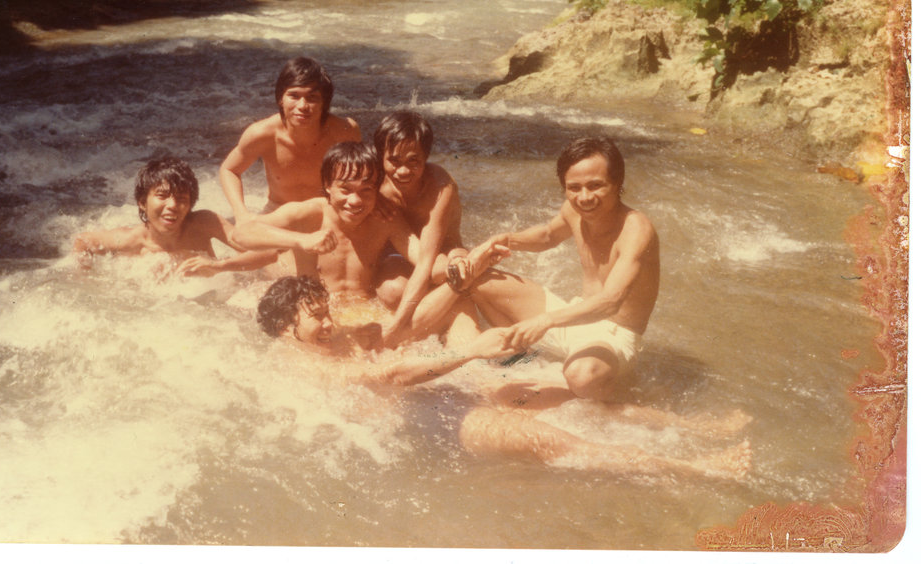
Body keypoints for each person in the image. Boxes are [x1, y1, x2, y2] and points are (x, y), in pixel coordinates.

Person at [255, 274, 751, 481]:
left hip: (441, 393)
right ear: (284, 328)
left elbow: (398, 336)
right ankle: (699, 468)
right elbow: (396, 377)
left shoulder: (333, 336)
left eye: (326, 312)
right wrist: (472, 351)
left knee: (560, 393)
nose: (328, 323)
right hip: (425, 424)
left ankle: (697, 429)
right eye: (316, 318)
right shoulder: (305, 367)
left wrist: (455, 296)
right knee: (549, 440)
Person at [451, 135, 660, 403]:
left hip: (615, 336)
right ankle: (523, 355)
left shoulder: (636, 229)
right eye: (574, 188)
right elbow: (547, 235)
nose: (584, 197)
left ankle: (612, 398)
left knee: (583, 376)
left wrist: (545, 320)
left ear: (617, 183)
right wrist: (500, 241)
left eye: (596, 186)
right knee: (481, 282)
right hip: (574, 316)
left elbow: (611, 302)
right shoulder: (574, 211)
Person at [232, 141, 488, 346]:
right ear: (327, 186)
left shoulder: (383, 217)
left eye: (366, 190)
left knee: (448, 308)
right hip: (321, 318)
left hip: (365, 315)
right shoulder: (309, 214)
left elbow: (425, 260)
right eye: (345, 189)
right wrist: (302, 240)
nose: (355, 201)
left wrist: (460, 262)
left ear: (376, 190)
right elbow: (241, 234)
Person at [73, 156, 275, 276]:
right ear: (142, 202)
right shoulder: (129, 240)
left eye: (181, 199)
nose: (172, 206)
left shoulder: (205, 223)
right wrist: (85, 276)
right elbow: (83, 241)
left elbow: (269, 251)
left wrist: (219, 266)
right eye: (162, 196)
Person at [219, 56, 361, 224]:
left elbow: (366, 175)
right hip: (277, 212)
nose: (302, 106)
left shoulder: (344, 131)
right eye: (294, 96)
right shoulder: (263, 134)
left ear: (324, 102)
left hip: (327, 212)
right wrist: (241, 213)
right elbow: (229, 170)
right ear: (281, 98)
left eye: (312, 97)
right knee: (242, 244)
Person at [372, 111, 468, 341]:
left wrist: (395, 326)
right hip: (399, 253)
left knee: (444, 269)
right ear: (380, 157)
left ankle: (451, 314)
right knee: (392, 292)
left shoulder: (440, 186)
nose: (403, 171)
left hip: (440, 252)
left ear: (426, 157)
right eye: (394, 161)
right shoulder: (373, 180)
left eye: (413, 161)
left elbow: (426, 261)